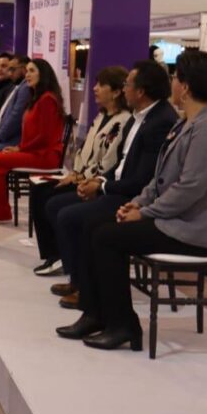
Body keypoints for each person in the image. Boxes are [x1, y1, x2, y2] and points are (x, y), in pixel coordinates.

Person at [57, 51, 207, 351]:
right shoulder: (189, 123)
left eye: (176, 77)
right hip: (181, 219)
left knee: (106, 237)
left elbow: (188, 189)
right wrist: (139, 204)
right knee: (94, 226)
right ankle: (95, 314)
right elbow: (160, 179)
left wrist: (146, 213)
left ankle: (122, 324)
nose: (172, 83)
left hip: (199, 230)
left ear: (186, 86)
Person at [45, 61, 177, 309]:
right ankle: (79, 280)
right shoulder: (139, 117)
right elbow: (119, 164)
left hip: (134, 197)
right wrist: (99, 180)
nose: (124, 89)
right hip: (120, 188)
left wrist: (102, 187)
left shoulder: (160, 121)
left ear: (141, 91)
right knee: (57, 205)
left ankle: (88, 288)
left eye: (127, 84)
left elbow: (143, 180)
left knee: (76, 218)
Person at [31, 66, 130, 276]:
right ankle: (53, 253)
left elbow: (109, 161)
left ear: (115, 92)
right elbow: (83, 151)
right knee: (39, 190)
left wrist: (82, 177)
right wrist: (75, 173)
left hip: (96, 182)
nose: (95, 88)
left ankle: (65, 256)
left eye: (101, 85)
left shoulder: (122, 122)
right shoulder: (100, 117)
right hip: (80, 176)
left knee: (52, 200)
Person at [0, 58, 65, 223]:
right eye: (26, 71)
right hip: (34, 151)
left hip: (45, 155)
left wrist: (20, 148)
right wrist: (20, 147)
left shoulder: (47, 99)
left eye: (32, 71)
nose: (27, 75)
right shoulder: (38, 98)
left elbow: (44, 136)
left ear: (43, 74)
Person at [0, 54, 30, 153]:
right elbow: (1, 115)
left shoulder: (25, 88)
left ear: (23, 69)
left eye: (12, 69)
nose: (10, 74)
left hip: (11, 140)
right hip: (1, 136)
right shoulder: (16, 87)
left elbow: (16, 116)